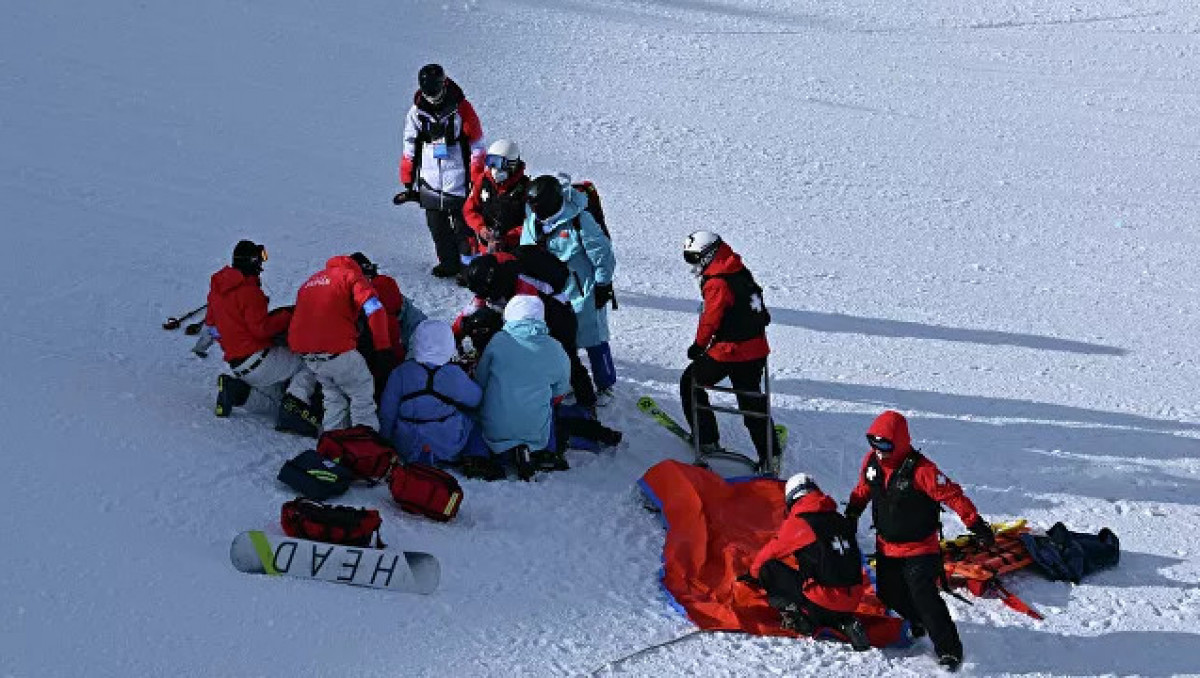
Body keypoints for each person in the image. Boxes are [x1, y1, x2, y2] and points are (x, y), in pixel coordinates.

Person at [844, 410, 995, 672]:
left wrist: (975, 524)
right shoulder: (872, 463)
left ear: (899, 442)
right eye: (874, 444)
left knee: (924, 596)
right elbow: (863, 489)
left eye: (886, 445)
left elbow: (953, 495)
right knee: (888, 593)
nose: (879, 451)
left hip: (920, 548)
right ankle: (918, 620)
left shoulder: (922, 470)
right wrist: (853, 511)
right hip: (887, 546)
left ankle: (949, 650)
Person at [678, 230, 780, 474]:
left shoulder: (717, 282)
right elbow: (760, 311)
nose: (692, 265)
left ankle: (706, 438)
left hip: (730, 351)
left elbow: (710, 320)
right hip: (756, 350)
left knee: (691, 381)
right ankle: (770, 453)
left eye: (693, 259)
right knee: (750, 399)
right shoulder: (739, 270)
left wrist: (698, 346)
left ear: (708, 255)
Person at [745, 473, 870, 651]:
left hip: (822, 600)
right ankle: (843, 622)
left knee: (768, 569)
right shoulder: (839, 519)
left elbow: (770, 553)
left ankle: (802, 617)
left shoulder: (801, 521)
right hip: (852, 600)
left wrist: (752, 574)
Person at [204, 240, 318, 436]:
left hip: (237, 364)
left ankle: (236, 391)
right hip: (259, 359)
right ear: (253, 261)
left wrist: (233, 341)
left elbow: (212, 326)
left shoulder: (218, 291)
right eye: (260, 260)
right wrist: (288, 316)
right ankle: (295, 407)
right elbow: (262, 329)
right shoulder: (249, 291)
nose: (262, 266)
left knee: (274, 404)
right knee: (310, 362)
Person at [458, 249, 597, 408]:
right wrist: (455, 334)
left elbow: (530, 316)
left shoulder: (523, 283)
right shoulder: (488, 283)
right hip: (535, 316)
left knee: (567, 357)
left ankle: (587, 401)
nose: (485, 296)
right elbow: (470, 311)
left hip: (558, 315)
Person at [522, 174, 617, 405]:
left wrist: (603, 284)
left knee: (594, 339)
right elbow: (526, 254)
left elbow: (603, 255)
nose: (536, 211)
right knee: (561, 341)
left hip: (583, 291)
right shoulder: (532, 222)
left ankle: (606, 385)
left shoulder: (579, 220)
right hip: (552, 293)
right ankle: (570, 382)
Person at [398, 63, 485, 279]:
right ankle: (448, 263)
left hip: (458, 176)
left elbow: (477, 144)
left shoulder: (462, 108)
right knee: (437, 227)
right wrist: (408, 178)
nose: (433, 97)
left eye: (436, 91)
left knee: (463, 227)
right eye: (429, 92)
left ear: (444, 84)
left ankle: (469, 269)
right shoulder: (416, 113)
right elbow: (410, 146)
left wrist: (476, 175)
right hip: (430, 177)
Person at [288, 255, 393, 432]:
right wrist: (383, 347)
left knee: (333, 397)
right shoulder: (351, 276)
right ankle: (364, 442)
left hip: (308, 354)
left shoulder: (310, 281)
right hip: (337, 349)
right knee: (362, 393)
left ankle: (333, 443)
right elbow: (374, 309)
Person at [474, 295, 571, 480]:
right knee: (546, 406)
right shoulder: (555, 348)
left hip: (495, 428)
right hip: (535, 429)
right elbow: (560, 391)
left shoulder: (498, 341)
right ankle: (543, 452)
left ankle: (500, 452)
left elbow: (481, 380)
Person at [379, 319, 494, 474]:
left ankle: (422, 456)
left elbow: (387, 412)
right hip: (447, 440)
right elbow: (476, 399)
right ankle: (475, 456)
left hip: (407, 443)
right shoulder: (453, 374)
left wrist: (385, 441)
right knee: (473, 423)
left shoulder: (401, 372)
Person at [349, 252, 427, 397]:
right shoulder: (390, 292)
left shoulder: (357, 297)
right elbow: (420, 326)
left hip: (364, 375)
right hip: (394, 367)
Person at [462, 139, 528, 255]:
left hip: (515, 250)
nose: (493, 169)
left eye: (498, 163)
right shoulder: (483, 181)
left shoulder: (525, 189)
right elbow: (469, 210)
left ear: (512, 164)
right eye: (490, 161)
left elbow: (530, 225)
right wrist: (481, 228)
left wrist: (507, 238)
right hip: (486, 248)